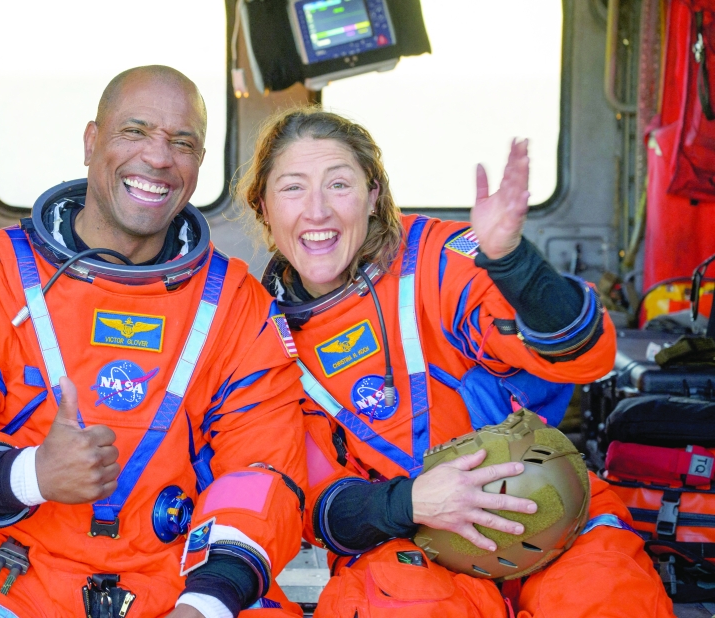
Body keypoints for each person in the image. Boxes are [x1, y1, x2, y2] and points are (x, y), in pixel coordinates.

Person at [0, 66, 310, 618]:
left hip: (178, 580)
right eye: (135, 132)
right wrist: (30, 473)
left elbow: (262, 475)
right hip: (10, 574)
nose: (158, 158)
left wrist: (207, 603)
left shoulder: (235, 305)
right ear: (91, 141)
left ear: (199, 165)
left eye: (182, 143)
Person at [237, 107, 674, 617]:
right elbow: (318, 508)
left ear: (373, 196)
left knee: (605, 598)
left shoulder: (437, 261)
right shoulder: (263, 337)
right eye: (292, 188)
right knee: (402, 605)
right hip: (411, 541)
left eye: (339, 185)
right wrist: (411, 503)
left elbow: (584, 355)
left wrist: (513, 264)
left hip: (545, 502)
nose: (318, 211)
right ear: (263, 205)